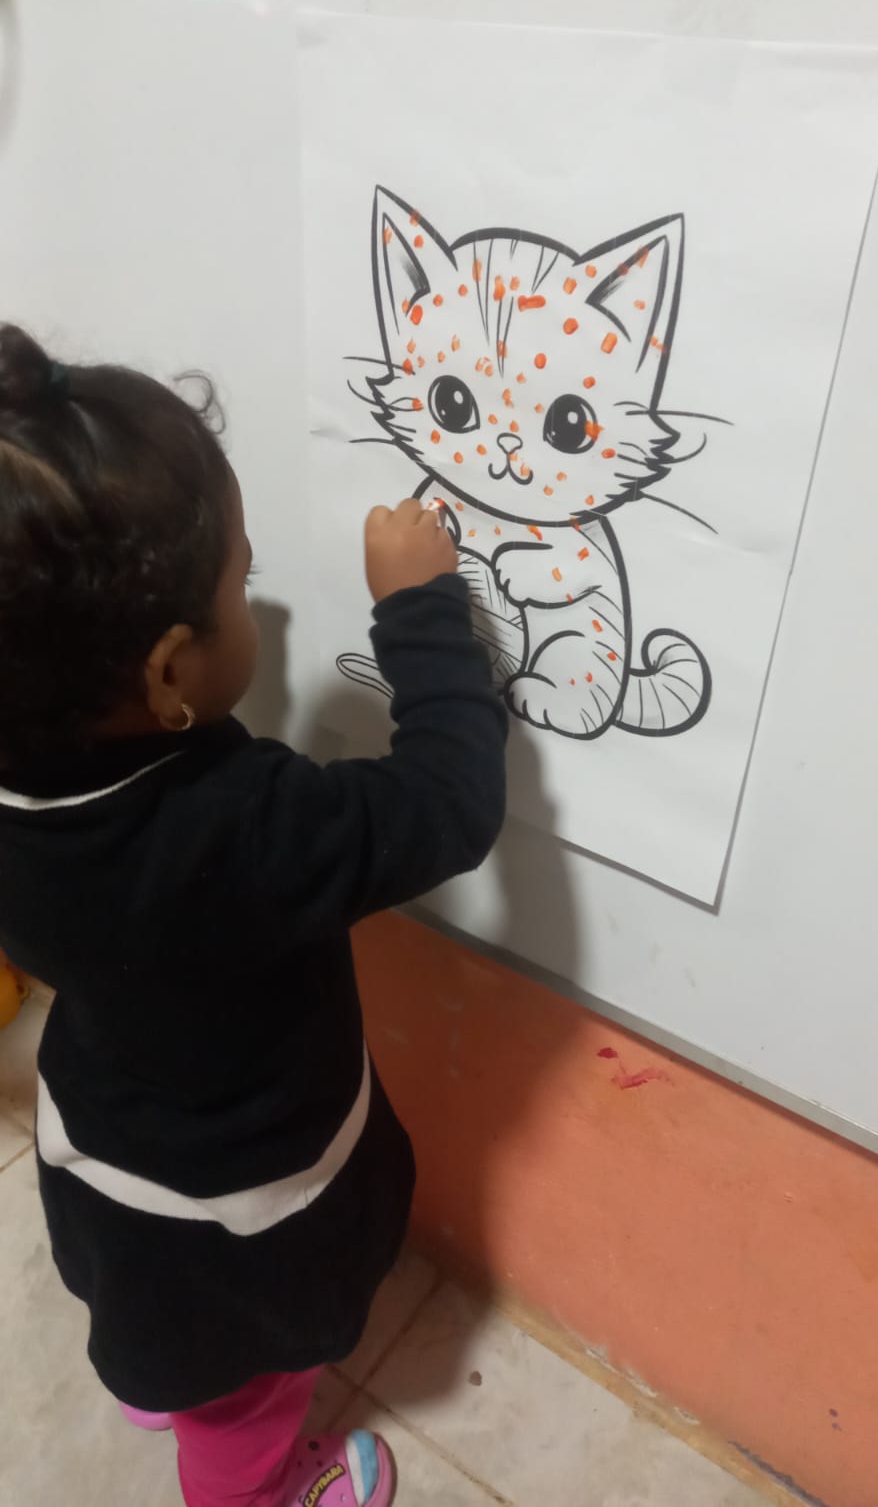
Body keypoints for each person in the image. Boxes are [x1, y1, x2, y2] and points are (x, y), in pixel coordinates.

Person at [0, 324, 507, 1507]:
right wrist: (421, 605)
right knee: (246, 1393)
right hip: (243, 1213)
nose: (255, 598)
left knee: (165, 1332)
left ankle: (170, 1379)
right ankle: (250, 1482)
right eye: (242, 578)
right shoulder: (241, 829)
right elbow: (448, 804)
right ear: (169, 673)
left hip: (106, 1158)